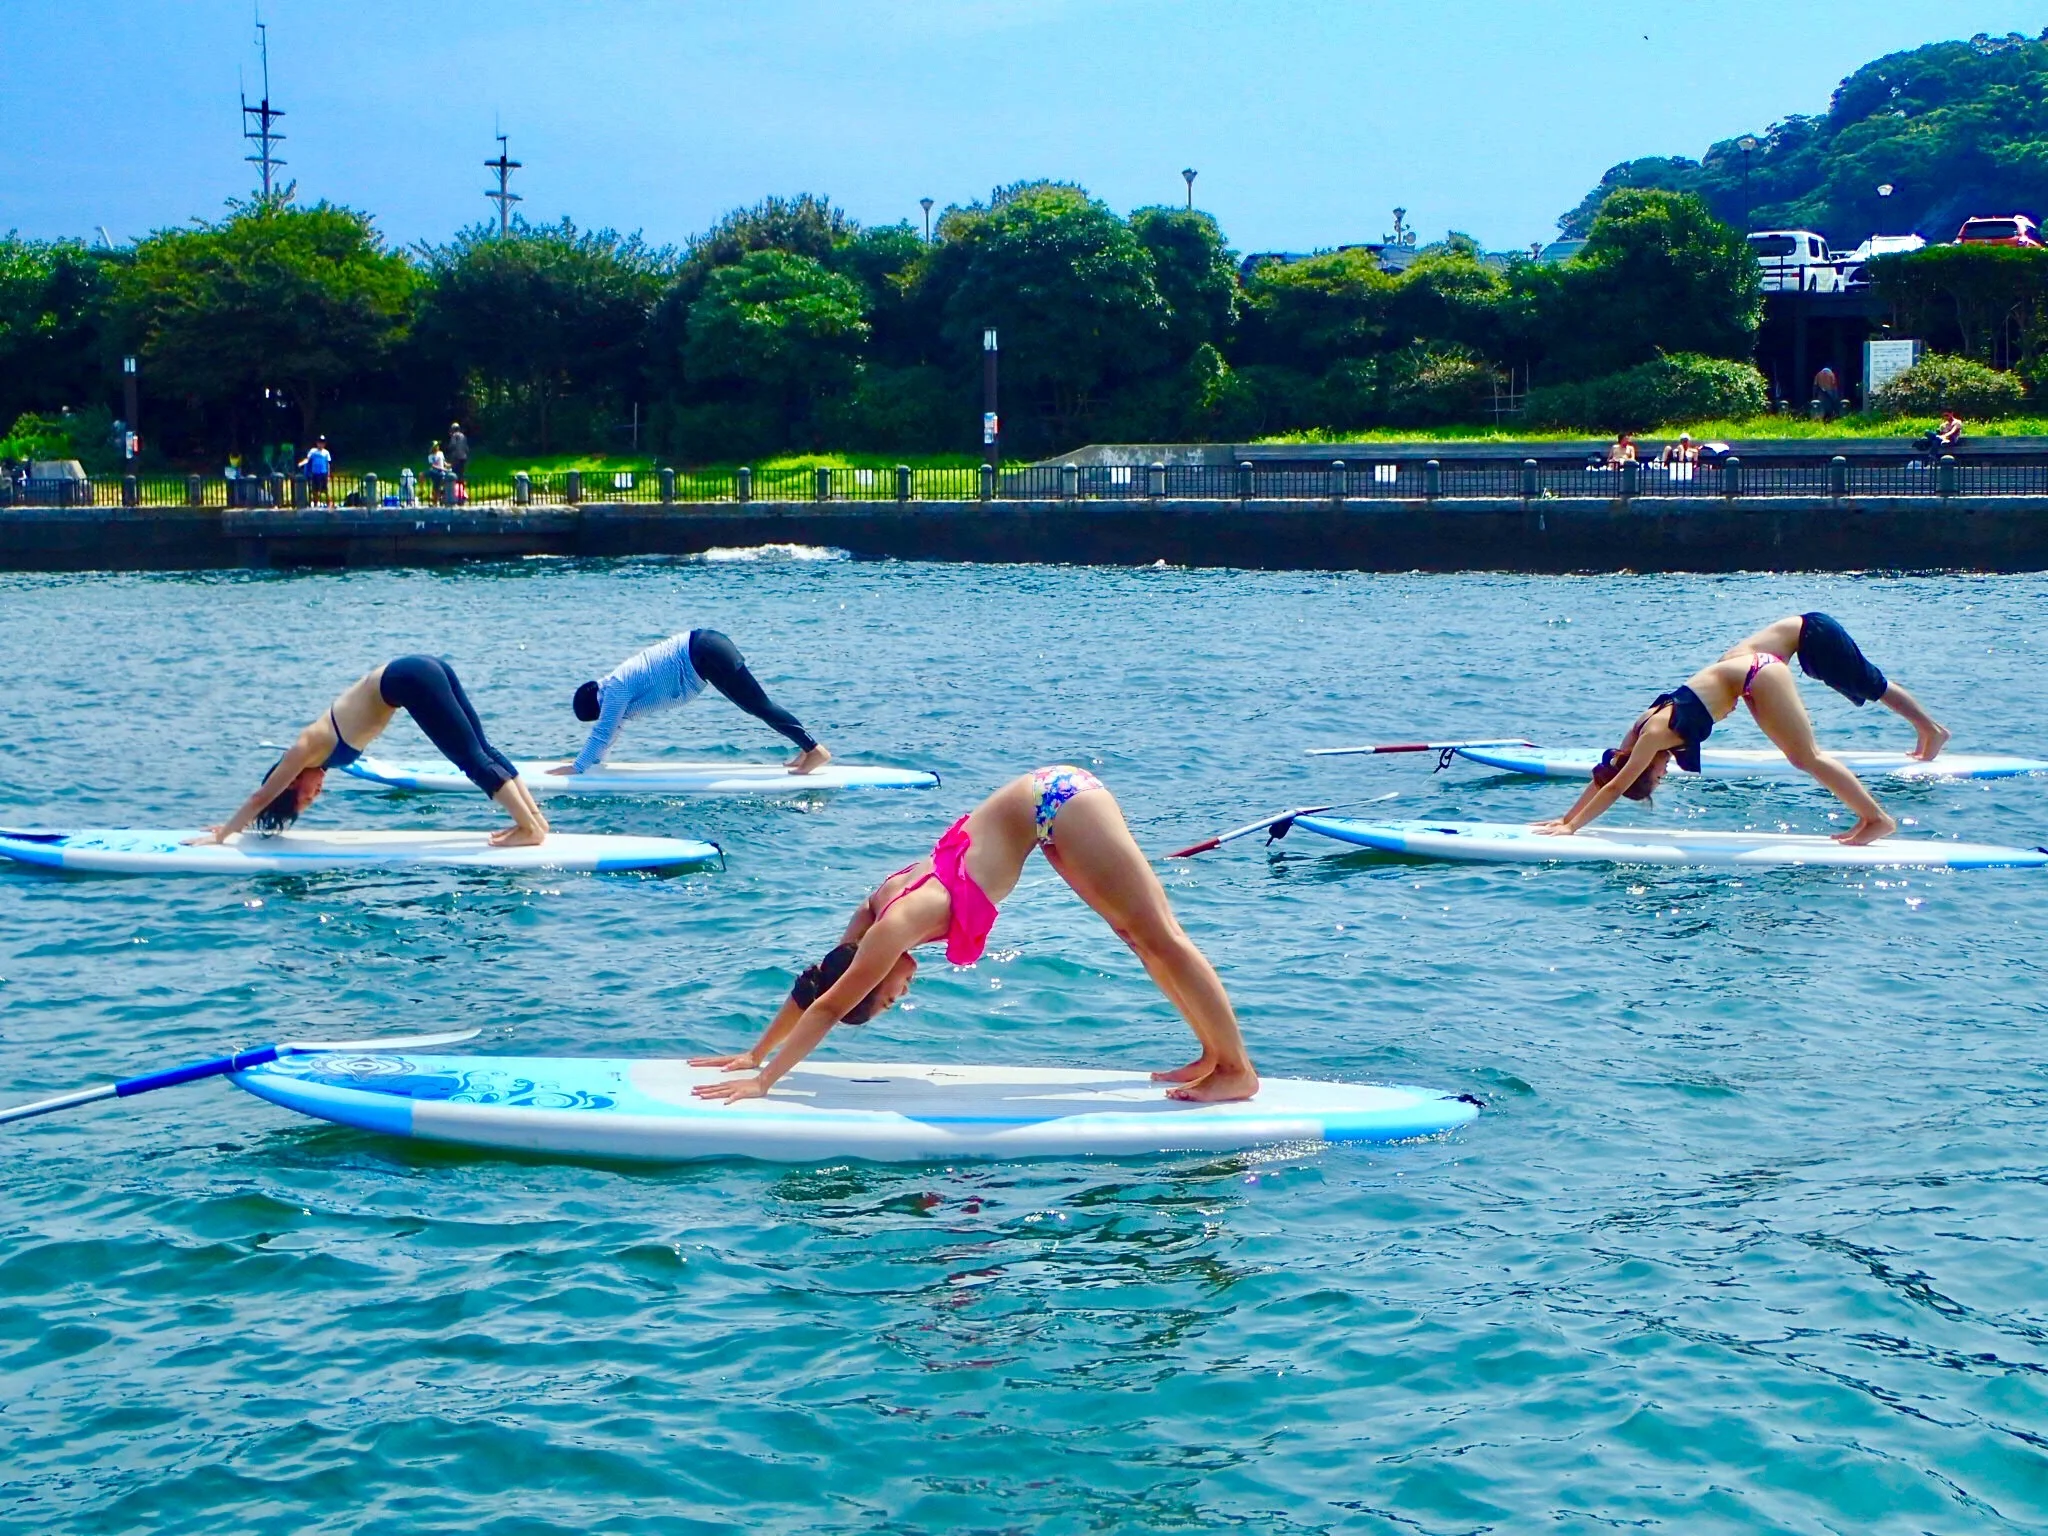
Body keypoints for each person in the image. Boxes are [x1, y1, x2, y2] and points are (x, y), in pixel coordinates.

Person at [688, 767, 1260, 1104]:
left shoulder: (892, 929)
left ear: (875, 974)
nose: (902, 994)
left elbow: (831, 1005)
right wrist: (755, 1051)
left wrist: (766, 1080)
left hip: (1059, 803)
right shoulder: (871, 918)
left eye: (888, 998)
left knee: (1160, 935)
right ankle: (1213, 1055)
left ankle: (1237, 1071)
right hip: (1048, 811)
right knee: (1138, 937)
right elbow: (818, 982)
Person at [1533, 641, 1900, 847]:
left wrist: (1573, 828)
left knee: (1808, 757)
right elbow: (1607, 774)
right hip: (1751, 680)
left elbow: (1615, 786)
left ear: (1646, 767)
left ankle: (1877, 820)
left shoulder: (1653, 735)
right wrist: (1566, 818)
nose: (1665, 773)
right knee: (1801, 758)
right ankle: (1868, 817)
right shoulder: (1639, 731)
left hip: (1759, 674)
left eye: (1657, 777)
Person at [189, 656, 549, 848]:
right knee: (481, 750)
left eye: (307, 797)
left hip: (409, 679)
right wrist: (238, 826)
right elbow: (265, 800)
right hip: (418, 671)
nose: (318, 793)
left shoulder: (302, 749)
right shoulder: (317, 757)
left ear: (291, 782)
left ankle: (529, 828)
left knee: (471, 758)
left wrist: (224, 835)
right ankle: (536, 822)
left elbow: (262, 796)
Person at [559, 629, 830, 775]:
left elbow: (604, 730)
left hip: (705, 653)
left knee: (758, 705)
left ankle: (815, 750)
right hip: (706, 649)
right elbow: (612, 730)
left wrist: (576, 767)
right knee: (758, 706)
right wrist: (594, 763)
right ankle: (806, 750)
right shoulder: (614, 688)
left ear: (596, 707)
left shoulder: (616, 689)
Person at [1720, 611, 1947, 759]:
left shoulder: (1735, 668)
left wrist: (1800, 752)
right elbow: (1764, 711)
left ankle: (1931, 730)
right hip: (1810, 637)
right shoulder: (1731, 676)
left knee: (1872, 685)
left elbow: (1769, 710)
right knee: (1868, 684)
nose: (1729, 712)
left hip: (1814, 633)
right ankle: (1927, 729)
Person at [297, 437, 333, 507]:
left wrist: (328, 474)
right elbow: (308, 459)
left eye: (322, 443)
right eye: (319, 442)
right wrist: (301, 463)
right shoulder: (313, 451)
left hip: (323, 473)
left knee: (326, 490)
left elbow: (327, 464)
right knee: (315, 490)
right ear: (317, 443)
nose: (320, 444)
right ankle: (316, 504)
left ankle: (330, 504)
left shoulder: (326, 452)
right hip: (315, 474)